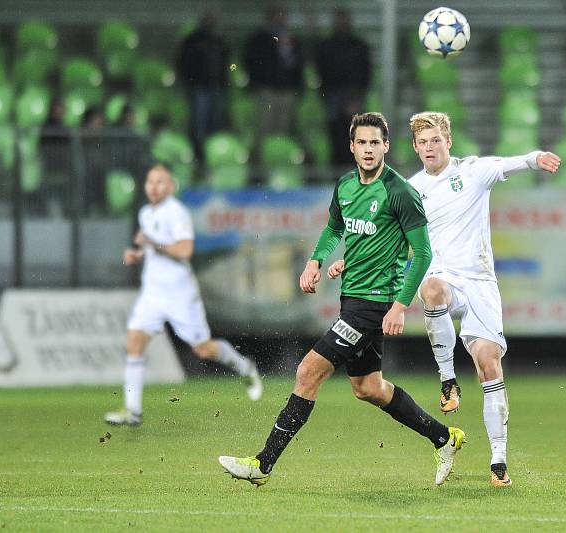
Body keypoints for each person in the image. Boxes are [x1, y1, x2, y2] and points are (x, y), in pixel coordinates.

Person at [218, 112, 464, 487]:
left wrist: (399, 305)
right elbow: (335, 228)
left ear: (386, 146)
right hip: (352, 299)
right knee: (368, 388)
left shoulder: (400, 193)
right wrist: (317, 260)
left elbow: (423, 253)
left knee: (307, 371)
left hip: (374, 304)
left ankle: (262, 463)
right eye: (361, 143)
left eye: (374, 142)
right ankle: (444, 437)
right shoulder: (347, 186)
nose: (368, 149)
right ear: (352, 147)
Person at [406, 111, 560, 487]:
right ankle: (448, 380)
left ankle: (498, 460)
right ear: (415, 147)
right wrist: (350, 258)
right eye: (422, 142)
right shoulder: (409, 189)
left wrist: (535, 158)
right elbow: (388, 235)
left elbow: (511, 163)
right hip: (443, 277)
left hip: (479, 283)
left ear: (448, 142)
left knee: (490, 366)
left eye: (435, 141)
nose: (429, 148)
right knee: (431, 290)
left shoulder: (472, 172)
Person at [104, 164, 262, 426]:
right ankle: (133, 410)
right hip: (153, 293)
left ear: (170, 187)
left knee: (203, 349)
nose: (154, 187)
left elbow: (184, 250)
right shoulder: (145, 212)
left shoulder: (177, 213)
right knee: (134, 342)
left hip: (180, 294)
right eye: (150, 182)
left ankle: (245, 367)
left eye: (160, 182)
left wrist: (153, 243)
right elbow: (157, 250)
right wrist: (139, 253)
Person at [314, 8, 372, 166]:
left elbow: (366, 73)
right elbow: (321, 72)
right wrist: (325, 95)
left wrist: (358, 97)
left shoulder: (359, 46)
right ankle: (336, 167)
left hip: (354, 95)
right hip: (332, 95)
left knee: (356, 134)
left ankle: (355, 167)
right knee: (334, 132)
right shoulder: (325, 46)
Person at [243, 6, 304, 139]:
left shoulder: (292, 40)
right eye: (278, 16)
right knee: (264, 125)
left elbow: (298, 64)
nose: (282, 20)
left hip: (287, 89)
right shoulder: (259, 39)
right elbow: (251, 62)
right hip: (267, 89)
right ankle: (262, 157)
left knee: (283, 127)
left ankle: (279, 155)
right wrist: (258, 83)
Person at [176, 11, 229, 159]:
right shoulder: (193, 40)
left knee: (215, 122)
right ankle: (198, 154)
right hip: (199, 87)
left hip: (216, 86)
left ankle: (212, 153)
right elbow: (183, 63)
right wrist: (190, 82)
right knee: (199, 122)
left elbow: (229, 64)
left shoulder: (219, 40)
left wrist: (227, 76)